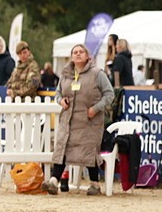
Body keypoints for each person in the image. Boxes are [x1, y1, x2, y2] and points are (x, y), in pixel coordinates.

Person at [44, 44, 115, 196]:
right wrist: (61, 101)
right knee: (62, 148)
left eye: (81, 52)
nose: (78, 54)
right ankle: (54, 181)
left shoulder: (97, 74)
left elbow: (109, 94)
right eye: (75, 52)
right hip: (68, 120)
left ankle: (94, 184)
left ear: (87, 56)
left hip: (89, 122)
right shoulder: (66, 74)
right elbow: (57, 94)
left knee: (89, 151)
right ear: (71, 57)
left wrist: (95, 109)